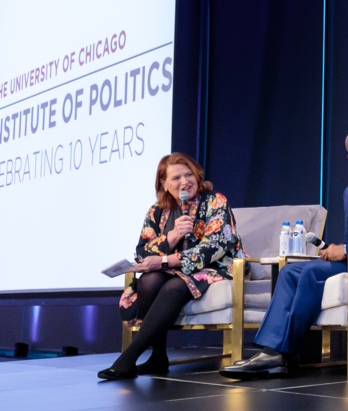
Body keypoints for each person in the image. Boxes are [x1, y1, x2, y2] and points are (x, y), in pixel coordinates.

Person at [219, 127, 348, 379]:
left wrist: (345, 250)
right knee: (290, 271)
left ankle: (283, 352)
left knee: (314, 271)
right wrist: (336, 250)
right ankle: (272, 350)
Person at [100, 153, 242, 380]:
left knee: (174, 287)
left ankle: (128, 358)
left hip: (218, 266)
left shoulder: (215, 201)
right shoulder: (156, 211)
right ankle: (158, 356)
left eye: (189, 174)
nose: (185, 182)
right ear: (164, 184)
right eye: (176, 178)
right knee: (148, 280)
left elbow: (214, 247)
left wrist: (164, 260)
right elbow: (142, 251)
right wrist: (173, 236)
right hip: (177, 270)